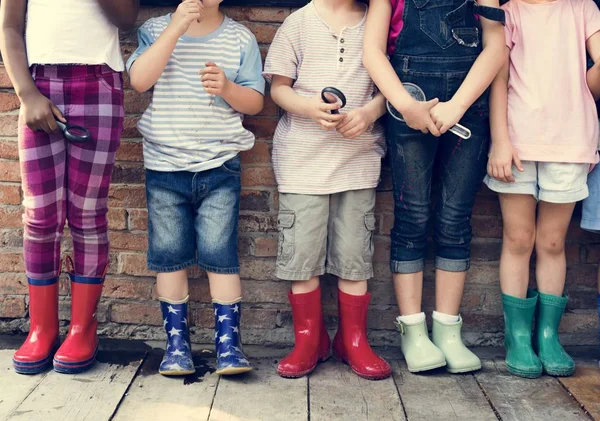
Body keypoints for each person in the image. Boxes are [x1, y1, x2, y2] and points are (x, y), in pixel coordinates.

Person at [362, 0, 505, 373]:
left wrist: (457, 106)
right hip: (408, 104)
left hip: (468, 107)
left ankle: (447, 331)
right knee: (413, 215)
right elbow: (373, 52)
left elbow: (495, 47)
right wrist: (406, 105)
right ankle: (413, 332)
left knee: (455, 218)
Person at [1, 0, 139, 375]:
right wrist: (26, 94)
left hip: (99, 84)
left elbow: (126, 20)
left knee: (88, 213)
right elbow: (10, 27)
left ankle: (83, 328)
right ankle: (41, 329)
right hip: (39, 83)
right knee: (41, 216)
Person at [127, 0, 264, 376]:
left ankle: (229, 345)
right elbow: (139, 80)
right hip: (165, 165)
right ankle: (176, 344)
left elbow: (255, 102)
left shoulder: (239, 38)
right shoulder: (156, 30)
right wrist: (175, 28)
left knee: (221, 253)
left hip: (219, 165)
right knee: (169, 253)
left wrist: (228, 88)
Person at [264, 0, 391, 380]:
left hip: (358, 162)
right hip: (302, 163)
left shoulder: (377, 22)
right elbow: (278, 89)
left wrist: (369, 113)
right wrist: (308, 108)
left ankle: (352, 340)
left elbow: (394, 85)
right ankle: (309, 339)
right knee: (303, 256)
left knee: (354, 256)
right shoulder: (297, 24)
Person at [486, 0, 600, 378]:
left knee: (552, 242)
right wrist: (500, 141)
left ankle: (548, 335)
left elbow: (594, 80)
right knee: (518, 238)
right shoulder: (510, 11)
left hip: (569, 140)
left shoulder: (582, 9)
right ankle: (518, 336)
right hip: (517, 141)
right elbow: (497, 78)